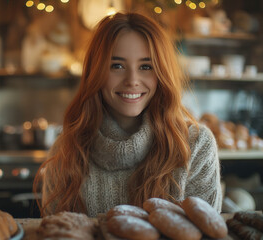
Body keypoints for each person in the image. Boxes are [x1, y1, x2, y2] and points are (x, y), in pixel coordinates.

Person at [33, 12, 222, 217]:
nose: (132, 80)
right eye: (117, 66)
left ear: (162, 74)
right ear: (96, 73)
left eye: (146, 67)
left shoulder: (196, 145)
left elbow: (204, 233)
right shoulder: (66, 150)